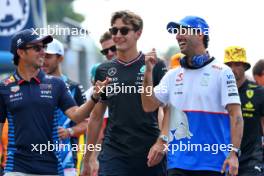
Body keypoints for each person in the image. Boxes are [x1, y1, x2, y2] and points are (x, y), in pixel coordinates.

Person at [141, 16, 244, 176]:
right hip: (177, 163)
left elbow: (236, 115)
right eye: (176, 32)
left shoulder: (223, 72)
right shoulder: (172, 75)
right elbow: (149, 105)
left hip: (213, 164)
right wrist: (148, 73)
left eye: (183, 31)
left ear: (200, 34)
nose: (177, 36)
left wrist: (234, 153)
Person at [0, 29, 107, 175]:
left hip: (52, 168)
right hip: (16, 168)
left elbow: (77, 116)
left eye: (43, 47)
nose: (43, 52)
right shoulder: (4, 87)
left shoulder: (57, 84)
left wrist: (94, 97)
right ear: (21, 52)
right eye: (37, 48)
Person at [81, 10, 167, 176]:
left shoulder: (155, 65)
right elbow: (96, 117)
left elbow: (167, 110)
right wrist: (88, 158)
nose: (118, 35)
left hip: (149, 151)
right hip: (114, 153)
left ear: (138, 33)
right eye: (114, 30)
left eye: (124, 30)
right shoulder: (104, 70)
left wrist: (161, 142)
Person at [42, 38, 88, 175]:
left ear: (60, 58)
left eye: (48, 56)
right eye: (42, 55)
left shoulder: (74, 87)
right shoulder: (32, 86)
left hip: (66, 161)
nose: (44, 60)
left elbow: (88, 123)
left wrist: (69, 131)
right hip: (36, 161)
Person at [224, 46, 264, 176]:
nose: (232, 69)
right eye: (229, 65)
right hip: (224, 158)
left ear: (245, 67)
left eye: (237, 64)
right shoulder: (219, 93)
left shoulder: (259, 92)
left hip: (252, 160)